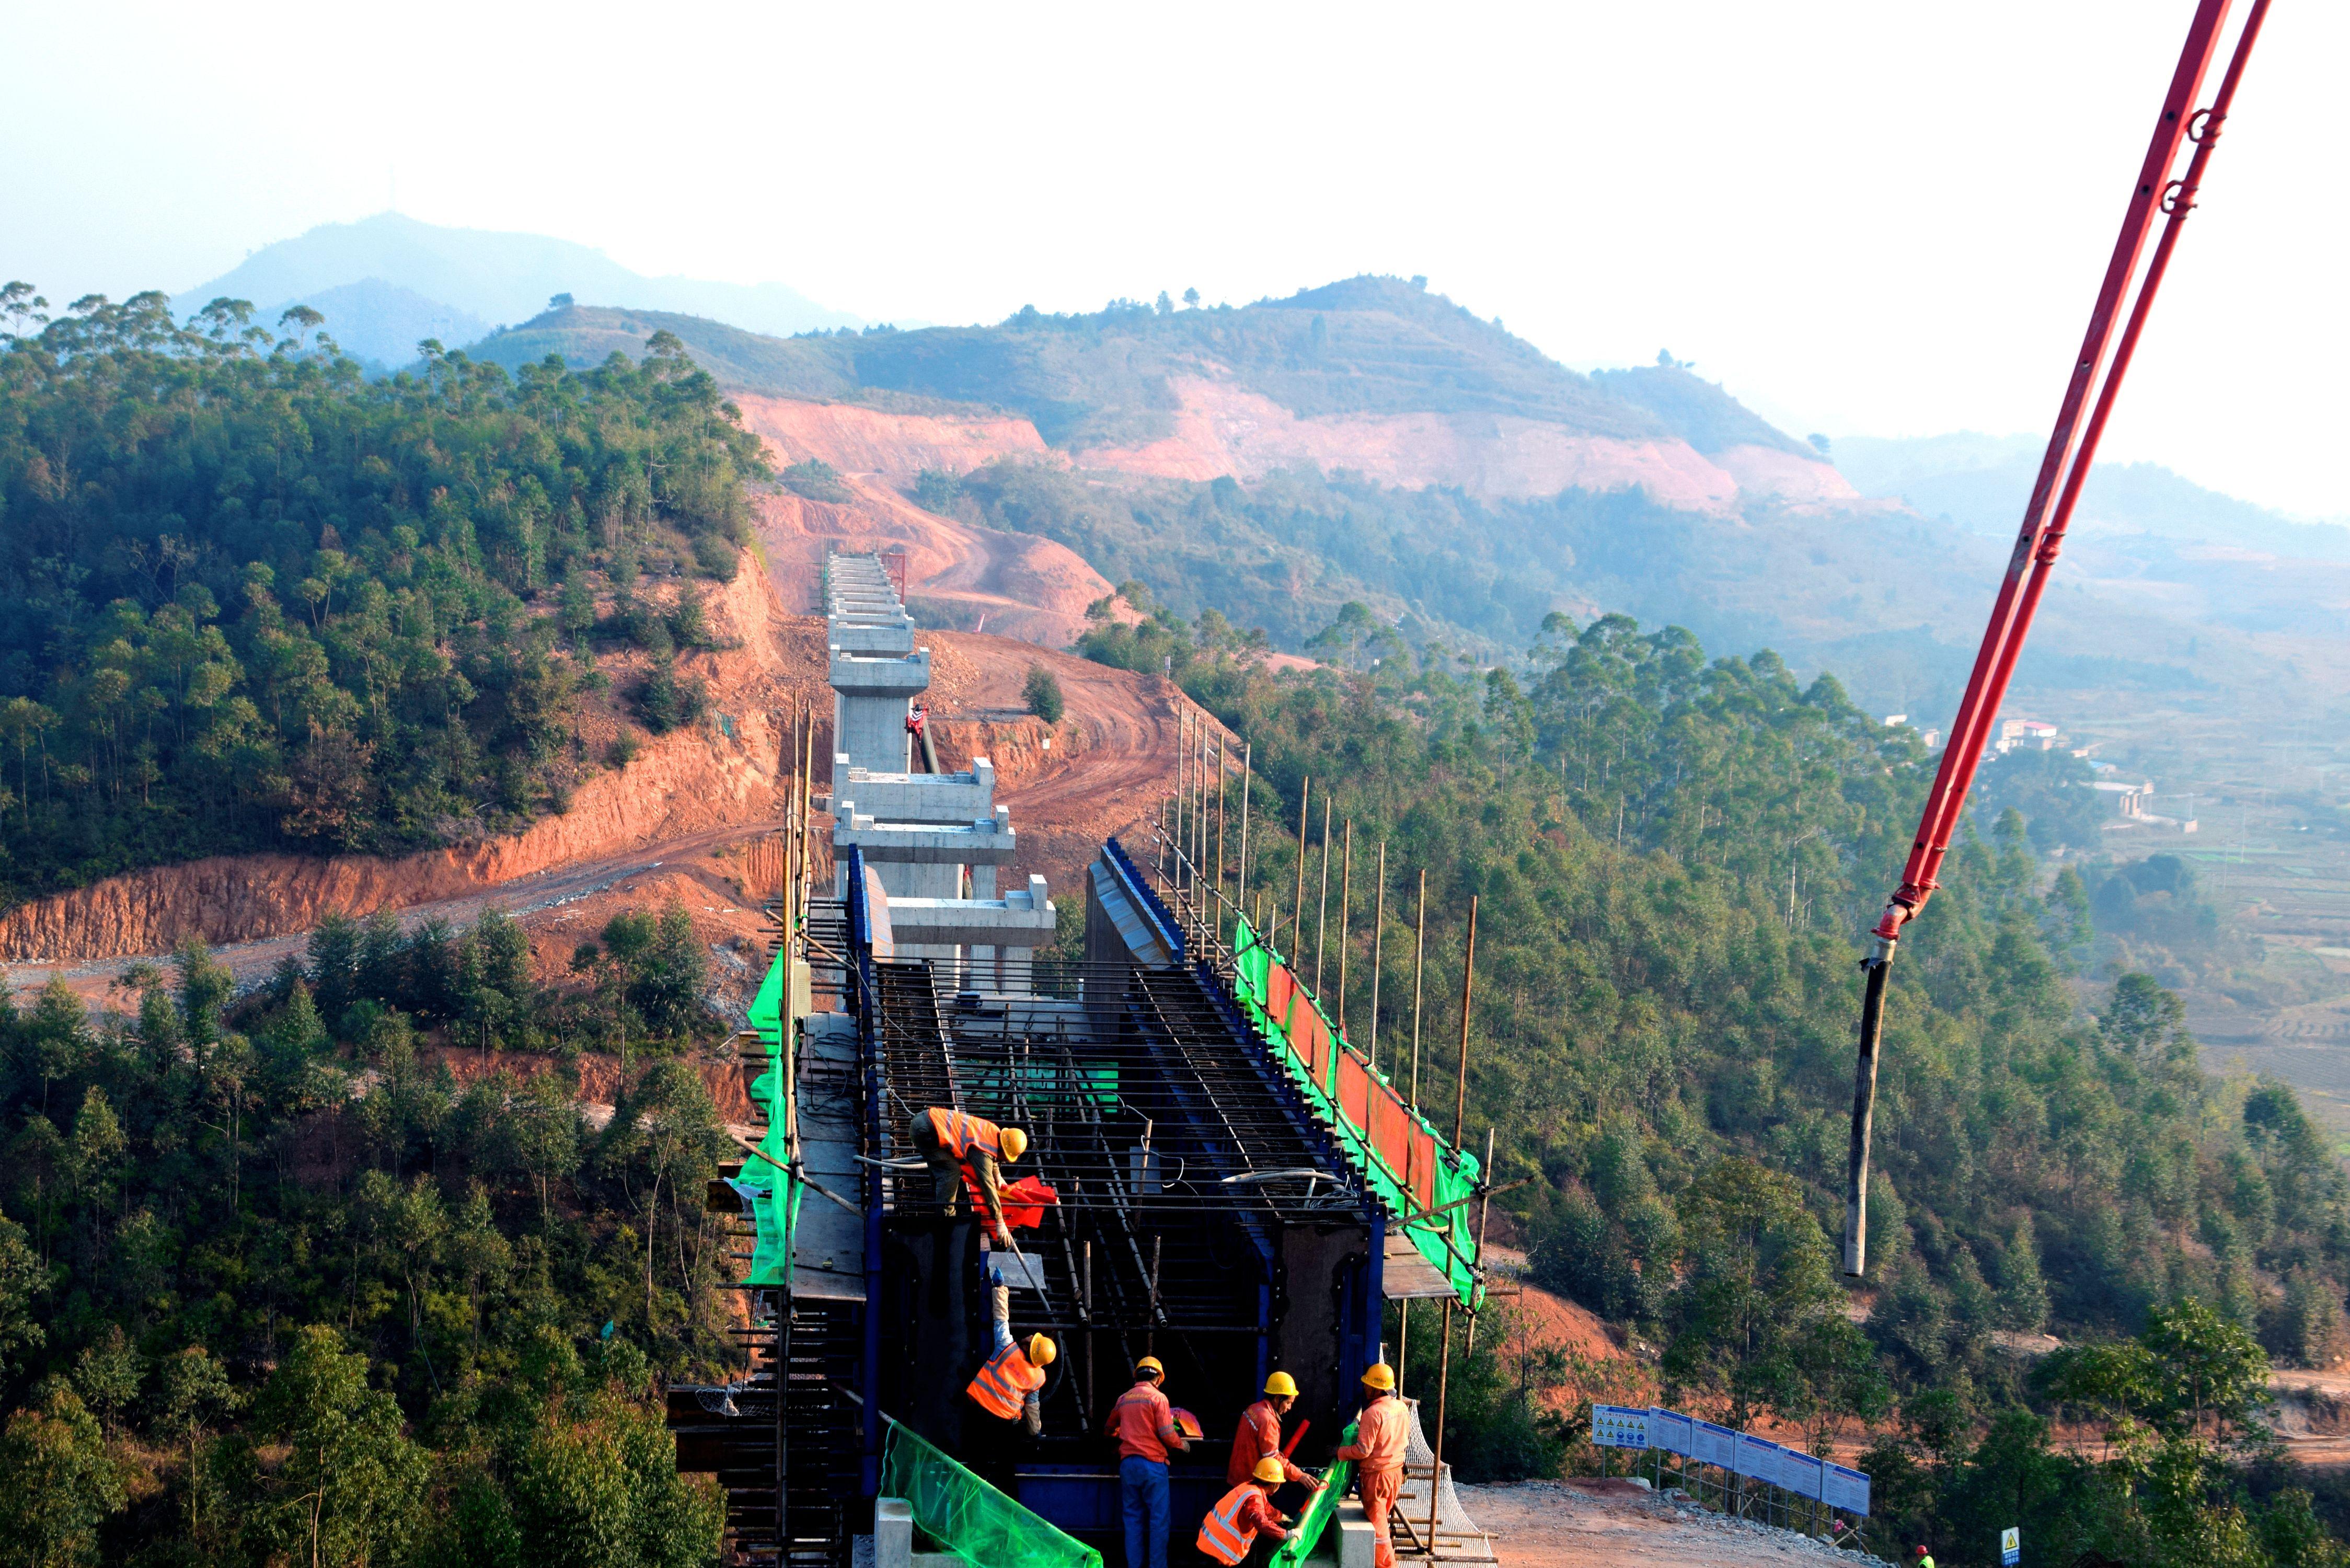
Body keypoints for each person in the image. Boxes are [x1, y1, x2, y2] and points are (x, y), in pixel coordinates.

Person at [1105, 1354, 1192, 1568]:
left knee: (1133, 1520)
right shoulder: (1158, 1398)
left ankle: (1134, 1565)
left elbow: (1108, 1429)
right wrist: (1183, 1445)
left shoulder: (1124, 1399)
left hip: (1128, 1466)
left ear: (1138, 1376)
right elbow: (1167, 1434)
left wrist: (1122, 1436)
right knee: (1158, 1522)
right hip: (1153, 1466)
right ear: (1159, 1379)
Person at [906, 1107, 1027, 1240]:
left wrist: (998, 1176)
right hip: (925, 1132)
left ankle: (938, 1198)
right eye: (1005, 1158)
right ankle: (946, 1222)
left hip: (927, 1120)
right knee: (951, 1170)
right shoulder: (983, 1153)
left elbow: (992, 1154)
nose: (1002, 1161)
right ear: (1003, 1150)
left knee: (943, 1166)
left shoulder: (995, 1132)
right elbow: (987, 1184)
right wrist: (999, 1221)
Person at [1332, 1363, 1409, 1568]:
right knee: (1382, 1520)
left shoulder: (1373, 1413)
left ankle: (1386, 1565)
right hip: (1395, 1474)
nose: (1365, 1388)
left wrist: (1338, 1453)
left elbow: (1363, 1451)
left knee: (1379, 1531)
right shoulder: (1401, 1408)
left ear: (1377, 1388)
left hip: (1376, 1477)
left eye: (1368, 1385)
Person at [966, 1266, 1053, 1434]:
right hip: (1004, 1421)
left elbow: (1001, 1318)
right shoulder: (1039, 1377)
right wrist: (1035, 1432)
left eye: (1031, 1339)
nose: (1029, 1336)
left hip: (979, 1407)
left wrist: (1000, 1288)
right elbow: (1032, 1406)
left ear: (1029, 1349)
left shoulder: (1007, 1347)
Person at [1228, 1371, 1321, 1494]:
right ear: (1278, 1399)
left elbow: (1254, 1446)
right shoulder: (1268, 1420)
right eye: (1288, 1403)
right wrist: (1300, 1475)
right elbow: (1273, 1459)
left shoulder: (1253, 1409)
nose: (1289, 1408)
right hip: (1250, 1486)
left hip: (1237, 1479)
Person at [1196, 1457, 1291, 1567]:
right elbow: (1263, 1523)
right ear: (1274, 1484)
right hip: (1220, 1550)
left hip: (1208, 1538)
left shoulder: (1247, 1487)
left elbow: (1265, 1508)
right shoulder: (1255, 1498)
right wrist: (1287, 1534)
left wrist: (1281, 1517)